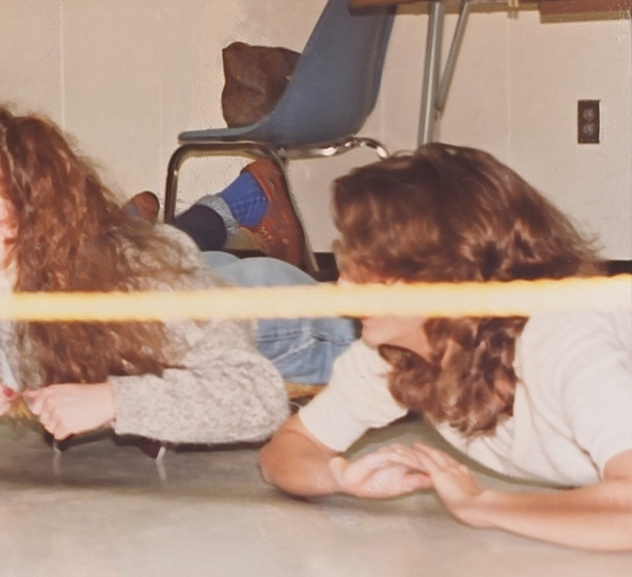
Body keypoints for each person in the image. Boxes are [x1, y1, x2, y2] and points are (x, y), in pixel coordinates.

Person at [0, 99, 356, 447]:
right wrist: (12, 378)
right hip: (207, 283)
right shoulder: (22, 274)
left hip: (316, 327)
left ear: (29, 216)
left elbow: (256, 397)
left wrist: (111, 401)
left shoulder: (140, 280)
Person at [258, 143, 632, 551]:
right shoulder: (392, 354)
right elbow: (286, 450)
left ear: (452, 271)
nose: (343, 285)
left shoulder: (561, 333)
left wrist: (487, 507)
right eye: (350, 261)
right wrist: (338, 475)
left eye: (372, 266)